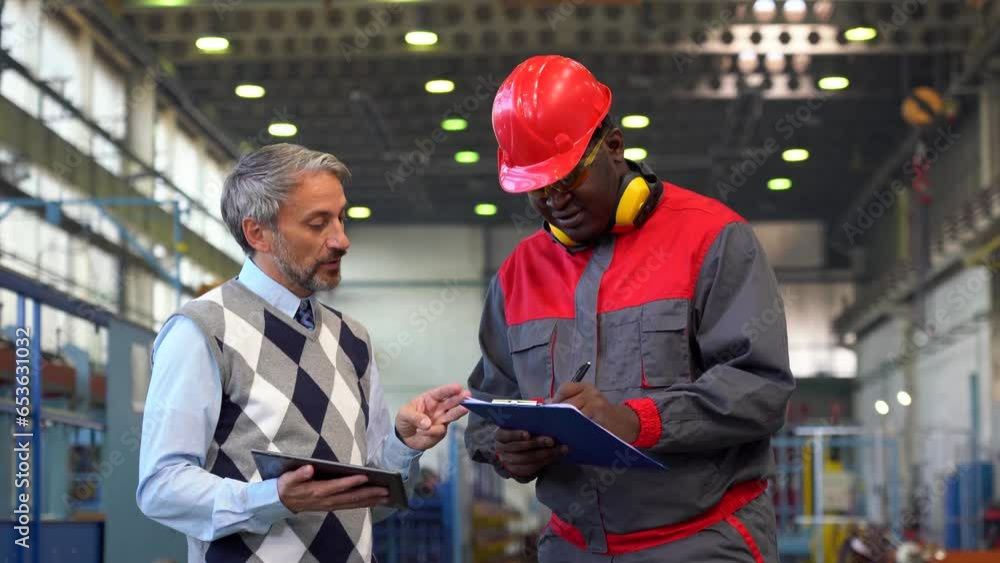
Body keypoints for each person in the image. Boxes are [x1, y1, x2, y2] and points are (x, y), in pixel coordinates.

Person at [465, 55, 794, 562]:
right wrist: (507, 450)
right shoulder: (517, 276)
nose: (555, 201)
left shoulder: (712, 240)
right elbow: (488, 408)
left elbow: (760, 388)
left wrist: (635, 422)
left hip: (701, 543)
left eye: (568, 177)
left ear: (614, 147)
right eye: (537, 189)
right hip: (572, 547)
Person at [137, 143, 470, 563]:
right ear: (258, 233)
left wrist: (405, 445)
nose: (342, 239)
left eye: (341, 218)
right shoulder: (203, 331)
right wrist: (274, 498)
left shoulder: (353, 339)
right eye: (318, 224)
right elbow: (160, 488)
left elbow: (373, 506)